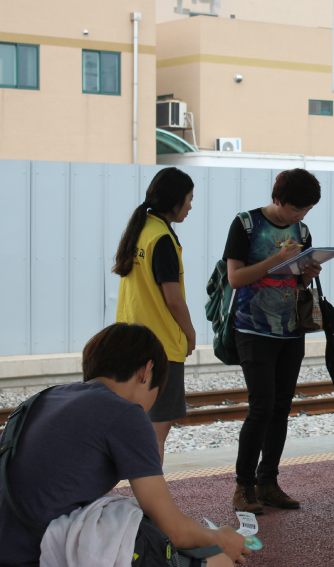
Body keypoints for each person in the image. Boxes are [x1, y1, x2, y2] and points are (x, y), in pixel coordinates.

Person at [0, 323, 248, 567]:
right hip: (30, 558)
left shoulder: (45, 399)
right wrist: (218, 537)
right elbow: (173, 529)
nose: (150, 407)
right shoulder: (124, 412)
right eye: (156, 394)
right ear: (146, 371)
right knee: (216, 559)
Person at [223, 168, 322, 514]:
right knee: (261, 407)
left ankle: (269, 482)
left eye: (307, 210)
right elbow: (235, 278)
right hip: (252, 329)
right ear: (278, 199)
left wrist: (306, 274)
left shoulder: (303, 231)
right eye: (297, 209)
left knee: (281, 408)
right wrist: (275, 260)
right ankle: (243, 487)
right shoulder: (246, 224)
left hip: (290, 329)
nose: (301, 216)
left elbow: (297, 285)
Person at [114, 167, 195, 462]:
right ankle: (150, 502)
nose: (190, 206)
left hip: (130, 342)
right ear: (175, 201)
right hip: (160, 347)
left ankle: (143, 499)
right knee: (156, 432)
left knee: (139, 427)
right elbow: (173, 299)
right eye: (188, 199)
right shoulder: (162, 238)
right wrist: (190, 333)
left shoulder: (140, 231)